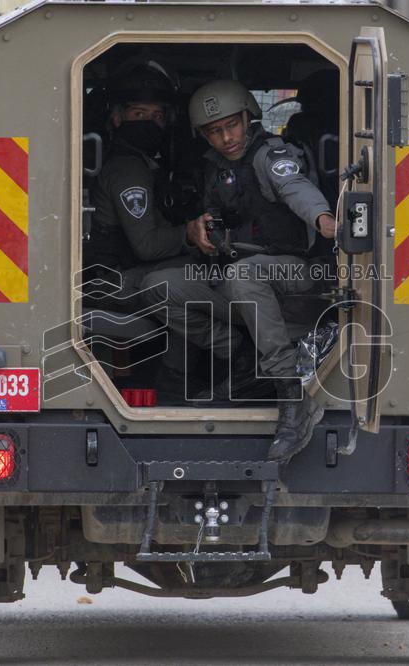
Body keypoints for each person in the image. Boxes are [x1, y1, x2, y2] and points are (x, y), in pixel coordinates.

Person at [144, 79, 338, 463]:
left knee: (244, 274)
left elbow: (294, 185)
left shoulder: (271, 155)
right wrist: (199, 232)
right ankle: (244, 358)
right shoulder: (215, 169)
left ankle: (292, 398)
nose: (226, 138)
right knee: (159, 285)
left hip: (296, 277)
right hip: (242, 282)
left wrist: (323, 218)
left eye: (232, 125)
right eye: (214, 131)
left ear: (249, 117)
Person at [84, 63, 201, 308]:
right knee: (205, 270)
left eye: (157, 116)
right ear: (117, 117)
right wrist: (189, 233)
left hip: (118, 274)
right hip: (114, 281)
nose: (149, 122)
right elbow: (147, 246)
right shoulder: (128, 168)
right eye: (139, 114)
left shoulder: (142, 163)